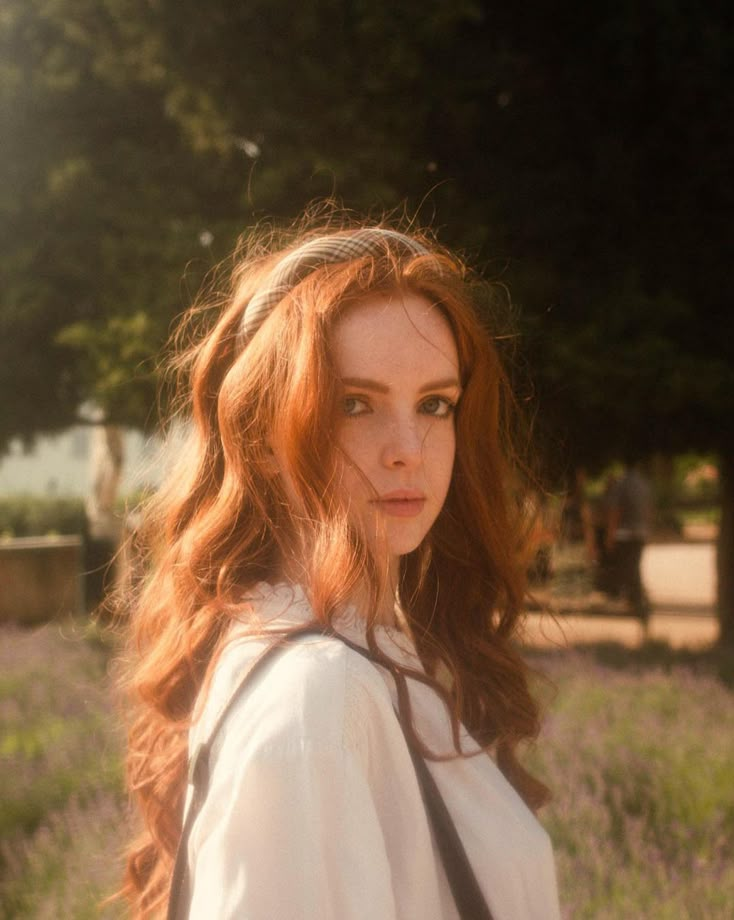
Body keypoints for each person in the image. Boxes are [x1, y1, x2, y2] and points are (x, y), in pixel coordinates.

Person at [116, 219, 561, 919]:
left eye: (435, 404)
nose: (408, 448)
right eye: (355, 404)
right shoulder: (316, 700)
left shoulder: (355, 655)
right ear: (260, 438)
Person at [607, 457, 653, 622]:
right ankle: (636, 598)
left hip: (624, 533)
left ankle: (636, 599)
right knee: (634, 565)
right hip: (640, 532)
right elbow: (648, 510)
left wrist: (610, 535)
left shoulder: (621, 485)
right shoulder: (644, 484)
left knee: (628, 566)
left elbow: (615, 512)